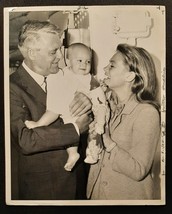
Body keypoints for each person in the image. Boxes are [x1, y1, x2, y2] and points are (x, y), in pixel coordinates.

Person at [10, 20, 93, 200]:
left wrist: (87, 104)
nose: (60, 57)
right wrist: (76, 129)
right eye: (53, 52)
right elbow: (25, 139)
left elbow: (86, 116)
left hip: (78, 182)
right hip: (45, 190)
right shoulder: (11, 87)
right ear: (32, 53)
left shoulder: (66, 76)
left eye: (60, 50)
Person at [87, 43, 160, 200]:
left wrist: (106, 139)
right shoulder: (107, 104)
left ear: (130, 76)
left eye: (112, 66)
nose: (105, 69)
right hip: (98, 196)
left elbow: (138, 170)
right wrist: (93, 138)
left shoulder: (147, 113)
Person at [25, 43, 108, 172]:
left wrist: (98, 107)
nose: (84, 65)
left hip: (77, 112)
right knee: (67, 125)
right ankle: (72, 153)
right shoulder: (62, 73)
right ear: (68, 60)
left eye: (88, 61)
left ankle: (87, 152)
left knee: (66, 120)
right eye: (79, 61)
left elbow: (99, 96)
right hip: (66, 109)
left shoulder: (89, 78)